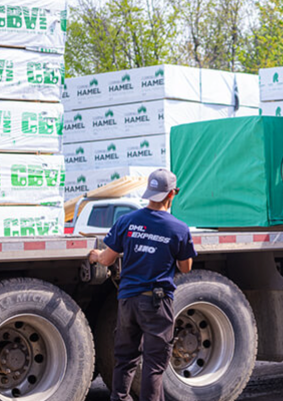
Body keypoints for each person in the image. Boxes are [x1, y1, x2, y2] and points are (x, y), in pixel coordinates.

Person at [87, 168, 197, 401]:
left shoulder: (127, 221)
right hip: (156, 303)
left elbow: (107, 259)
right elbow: (185, 267)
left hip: (128, 301)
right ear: (173, 194)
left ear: (149, 193)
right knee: (154, 363)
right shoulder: (178, 228)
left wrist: (95, 255)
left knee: (125, 358)